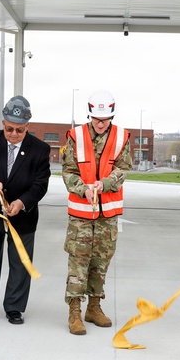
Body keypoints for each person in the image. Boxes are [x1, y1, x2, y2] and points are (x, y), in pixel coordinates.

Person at [0, 96, 51, 325]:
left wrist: (22, 203)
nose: (13, 134)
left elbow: (41, 184)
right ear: (2, 123)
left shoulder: (40, 150)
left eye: (19, 130)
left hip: (22, 215)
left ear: (28, 126)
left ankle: (14, 308)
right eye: (9, 128)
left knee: (19, 263)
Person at [61, 89, 132, 335]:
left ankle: (94, 307)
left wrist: (106, 184)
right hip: (81, 214)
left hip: (108, 214)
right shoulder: (76, 136)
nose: (101, 124)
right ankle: (74, 313)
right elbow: (68, 171)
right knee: (78, 262)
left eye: (105, 119)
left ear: (112, 116)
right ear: (90, 115)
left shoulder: (122, 137)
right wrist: (83, 189)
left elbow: (123, 169)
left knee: (100, 262)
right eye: (97, 119)